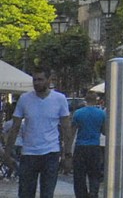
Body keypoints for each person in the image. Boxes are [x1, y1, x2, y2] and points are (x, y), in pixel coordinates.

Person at [3, 69, 72, 198]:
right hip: (29, 153)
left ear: (49, 80)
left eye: (40, 79)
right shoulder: (24, 99)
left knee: (47, 194)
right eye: (34, 79)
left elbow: (66, 128)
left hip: (50, 153)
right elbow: (15, 127)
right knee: (25, 193)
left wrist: (67, 155)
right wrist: (7, 153)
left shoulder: (59, 99)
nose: (36, 83)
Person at [70, 94, 105, 198]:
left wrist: (67, 149)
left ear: (85, 100)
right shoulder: (101, 114)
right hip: (94, 147)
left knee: (79, 175)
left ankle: (81, 195)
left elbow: (72, 132)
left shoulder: (78, 113)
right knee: (94, 173)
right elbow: (104, 131)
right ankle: (93, 193)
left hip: (80, 146)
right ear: (96, 100)